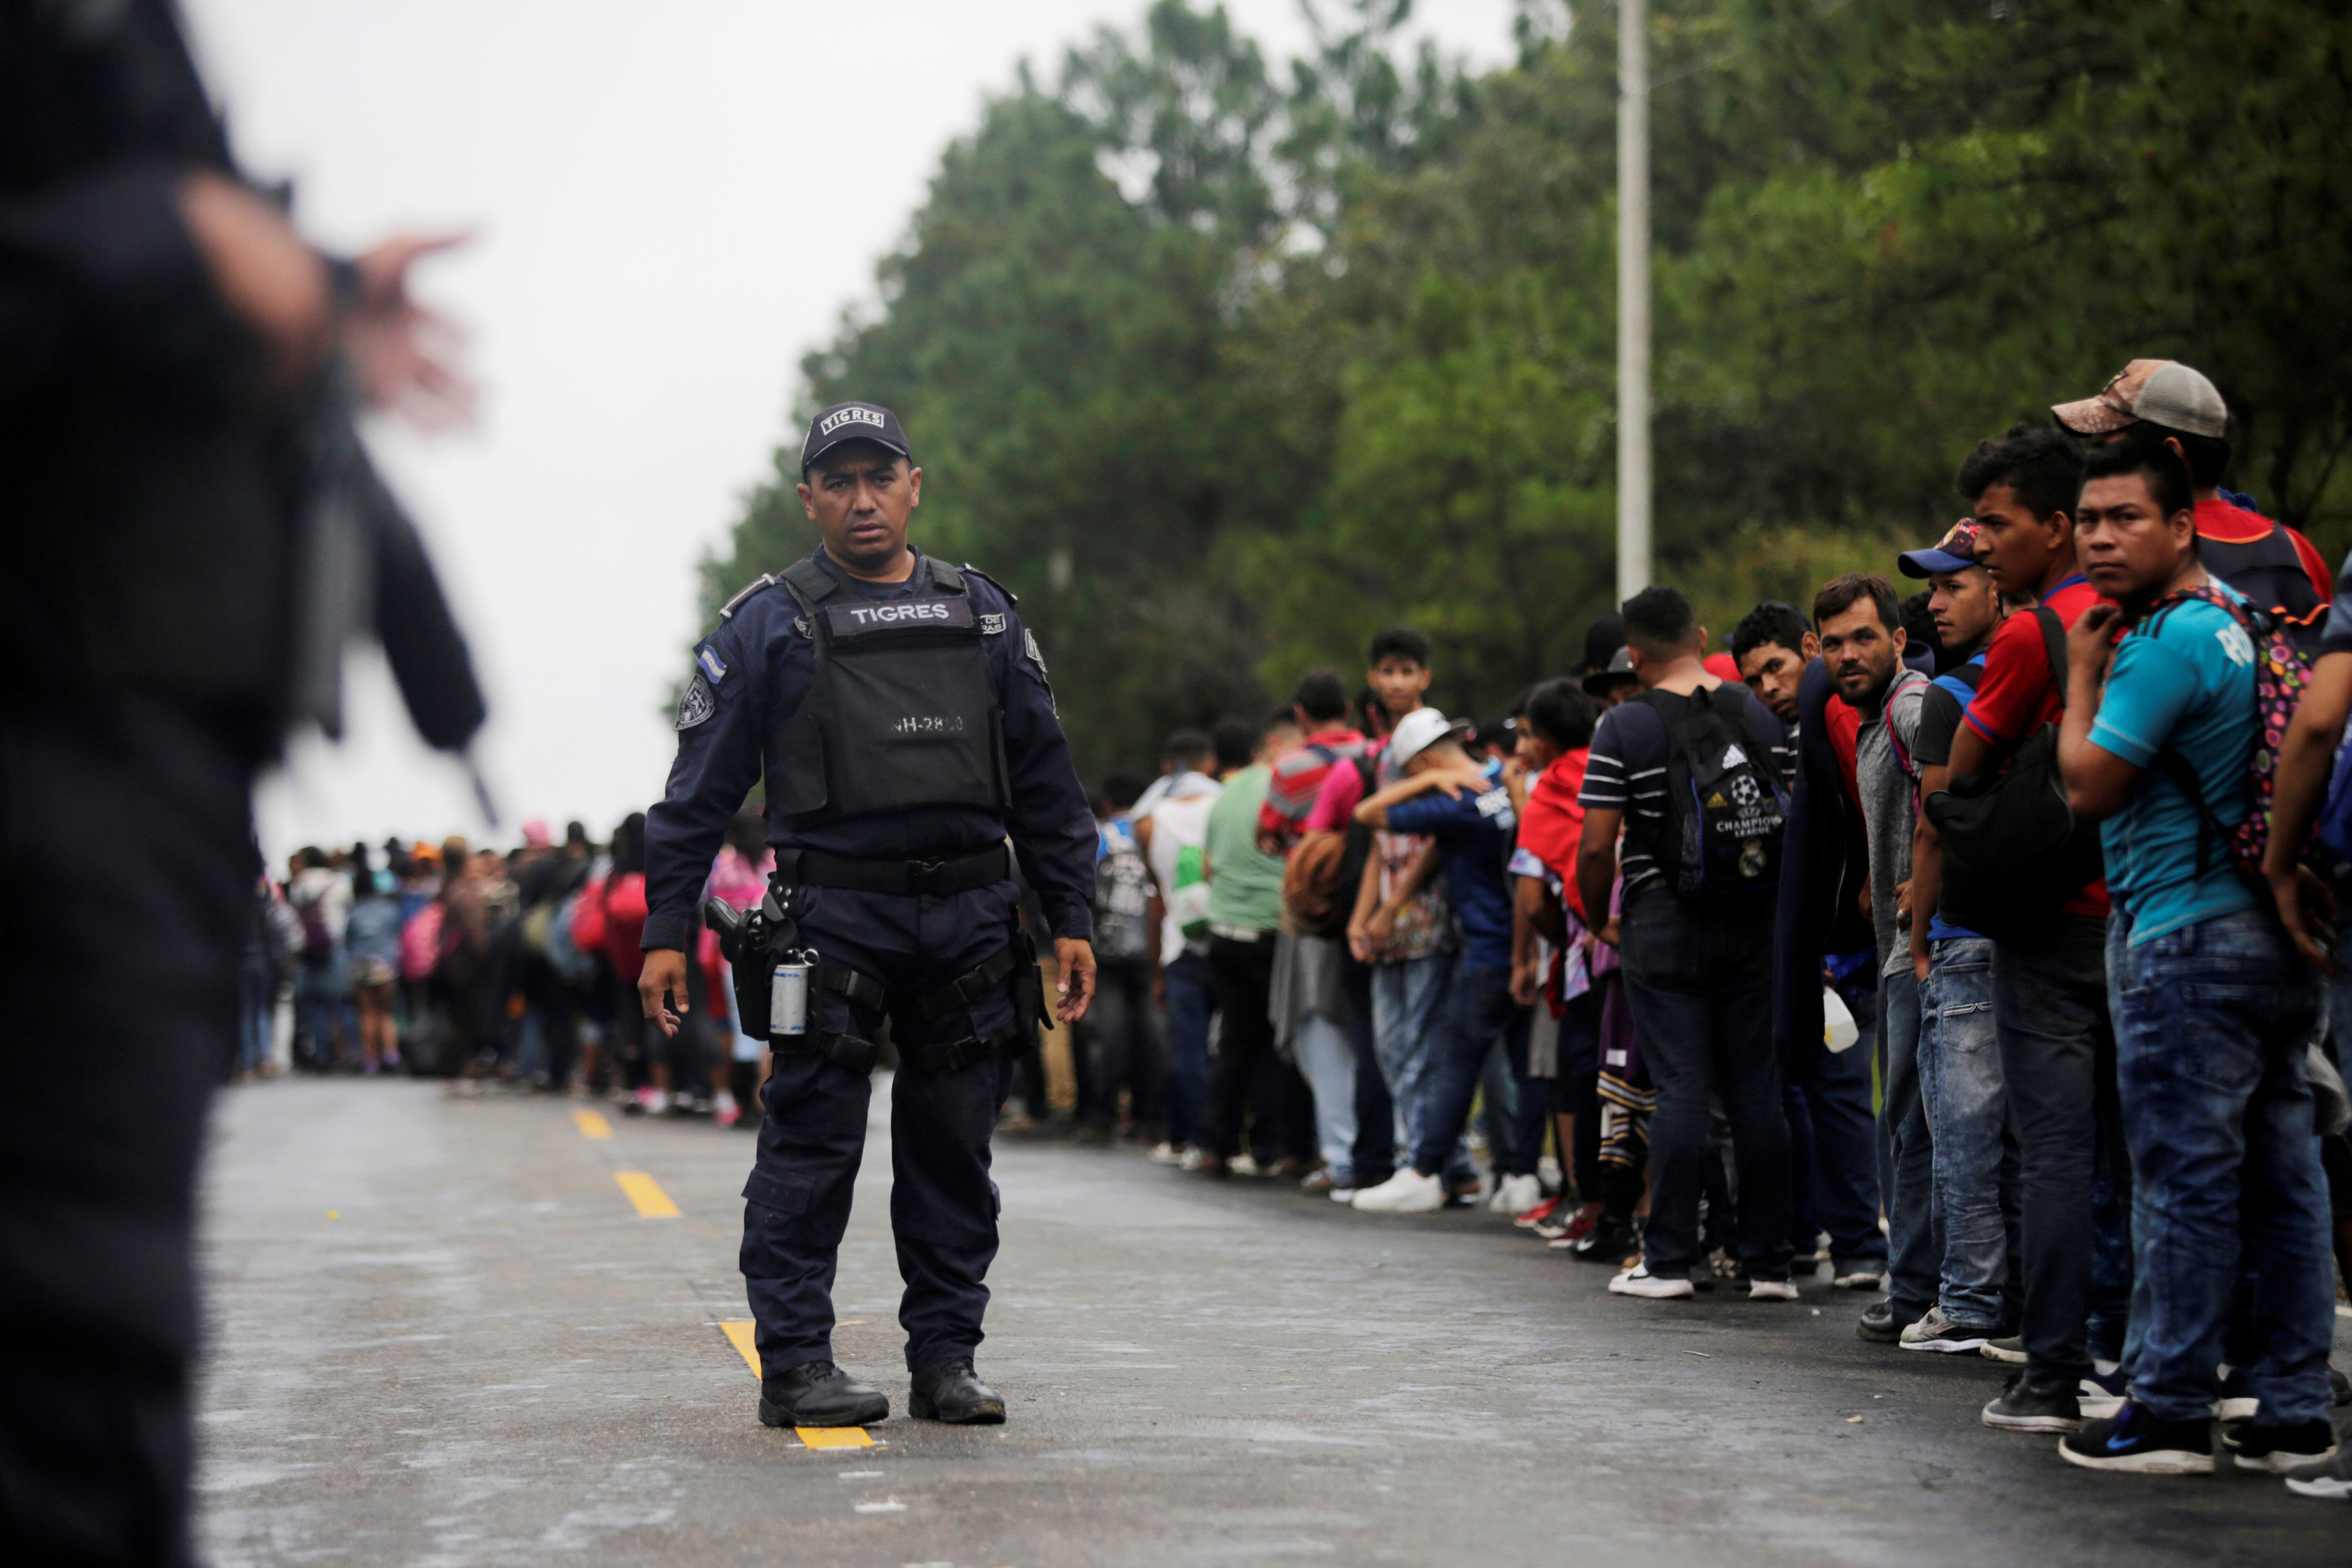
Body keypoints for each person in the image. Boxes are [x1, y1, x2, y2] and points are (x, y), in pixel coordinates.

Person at [0, 3, 482, 1557]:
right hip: (61, 732)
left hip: (136, 757)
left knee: (94, 1375)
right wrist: (170, 242)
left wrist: (310, 292)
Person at [638, 400, 1096, 1431]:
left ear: (914, 484)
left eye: (878, 477)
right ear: (808, 498)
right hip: (832, 920)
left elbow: (1047, 782)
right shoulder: (767, 622)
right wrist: (664, 929)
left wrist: (1073, 912)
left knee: (953, 1154)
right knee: (810, 1148)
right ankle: (796, 1364)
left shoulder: (982, 613)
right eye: (837, 481)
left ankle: (947, 1359)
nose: (861, 499)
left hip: (973, 920)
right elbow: (694, 796)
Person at [2051, 440, 2338, 1475]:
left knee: (2181, 1175)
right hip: (2270, 932)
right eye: (2088, 518)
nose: (2099, 536)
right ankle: (2295, 1404)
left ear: (2182, 528)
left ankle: (2168, 1405)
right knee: (2284, 1173)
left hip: (2185, 937)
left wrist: (2081, 678)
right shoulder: (2245, 627)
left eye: (2126, 517)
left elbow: (2088, 786)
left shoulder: (2164, 642)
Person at [1945, 422, 2126, 1434]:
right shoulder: (2161, 614)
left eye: (1997, 524)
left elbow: (1965, 768)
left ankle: (2055, 1370)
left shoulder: (2030, 633)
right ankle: (2144, 1359)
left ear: (2058, 528)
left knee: (2055, 1148)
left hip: (2054, 922)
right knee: (2143, 1153)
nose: (1979, 543)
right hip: (2143, 907)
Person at [1577, 587, 1796, 1300]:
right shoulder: (1758, 712)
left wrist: (1595, 915)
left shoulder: (1623, 726)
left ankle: (1668, 1259)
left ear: (1633, 655)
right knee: (1755, 1091)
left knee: (1679, 1089)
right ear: (1701, 636)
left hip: (1661, 922)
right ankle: (1770, 1265)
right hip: (1754, 920)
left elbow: (1594, 845)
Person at [1893, 521, 2014, 1354]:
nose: (1935, 604)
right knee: (2042, 1134)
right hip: (2048, 928)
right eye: (1931, 589)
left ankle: (1970, 1300)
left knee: (1961, 1127)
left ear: (1997, 584)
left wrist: (1922, 934)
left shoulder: (1951, 693)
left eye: (1952, 586)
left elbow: (1933, 826)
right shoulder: (2058, 668)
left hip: (1968, 930)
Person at [1349, 708, 1538, 1213]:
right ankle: (1523, 1175)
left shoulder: (1453, 800)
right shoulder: (1500, 779)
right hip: (1532, 946)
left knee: (1454, 1059)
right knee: (1527, 1064)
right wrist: (1392, 907)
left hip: (1488, 950)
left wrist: (1431, 780)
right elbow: (1439, 852)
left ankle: (1425, 1170)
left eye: (1412, 771)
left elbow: (1367, 813)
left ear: (1428, 760)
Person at [1814, 574, 1936, 1340]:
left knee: (1914, 1128)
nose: (1847, 654)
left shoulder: (1908, 705)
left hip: (1921, 958)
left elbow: (1948, 791)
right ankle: (1926, 1284)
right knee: (1907, 1122)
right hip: (1896, 952)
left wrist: (1922, 885)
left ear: (1896, 639)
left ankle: (1921, 1290)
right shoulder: (1865, 721)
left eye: (1863, 637)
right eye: (1832, 643)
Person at [2052, 359, 2330, 640]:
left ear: (2170, 455)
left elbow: (2122, 680)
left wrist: (2081, 672)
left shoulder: (2142, 557)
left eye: (2106, 449)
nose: (2096, 464)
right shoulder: (2296, 548)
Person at [1197, 711, 1308, 1176]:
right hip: (1272, 933)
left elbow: (1207, 867)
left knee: (1236, 1043)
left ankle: (1215, 1146)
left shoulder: (1222, 798)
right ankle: (1284, 1148)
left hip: (1224, 933)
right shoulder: (1282, 787)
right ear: (1276, 749)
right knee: (1285, 1043)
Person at [1135, 726, 1232, 1164]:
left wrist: (1157, 967)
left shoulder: (1148, 821)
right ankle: (1240, 1138)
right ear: (1210, 762)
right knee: (1236, 1044)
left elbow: (1157, 901)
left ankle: (1193, 1137)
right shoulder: (1227, 805)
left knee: (1188, 1047)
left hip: (1180, 944)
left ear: (1166, 766)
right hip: (1232, 936)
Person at [1082, 774, 1161, 1143]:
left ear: (1109, 803)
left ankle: (1103, 1115)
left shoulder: (1099, 836)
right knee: (1151, 1034)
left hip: (1107, 952)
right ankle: (1149, 1117)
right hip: (1151, 949)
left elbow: (1084, 886)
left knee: (1111, 1036)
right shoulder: (1152, 827)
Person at [345, 844, 406, 1076]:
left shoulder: (355, 911)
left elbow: (347, 939)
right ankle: (391, 1054)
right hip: (385, 965)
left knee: (367, 1013)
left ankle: (370, 1059)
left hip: (361, 964)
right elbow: (398, 935)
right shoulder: (390, 909)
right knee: (386, 1012)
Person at [1730, 602, 1818, 730]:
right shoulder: (1815, 722)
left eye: (1775, 667)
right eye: (1754, 681)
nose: (1767, 688)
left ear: (1810, 648)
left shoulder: (1845, 713)